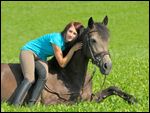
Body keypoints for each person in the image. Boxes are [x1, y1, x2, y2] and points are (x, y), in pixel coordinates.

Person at [12, 22, 84, 106]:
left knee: (44, 76)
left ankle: (31, 104)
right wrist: (73, 50)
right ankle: (15, 104)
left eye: (74, 33)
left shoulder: (66, 43)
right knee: (30, 78)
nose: (71, 35)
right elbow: (62, 63)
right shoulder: (56, 39)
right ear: (65, 30)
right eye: (70, 31)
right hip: (29, 51)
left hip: (41, 57)